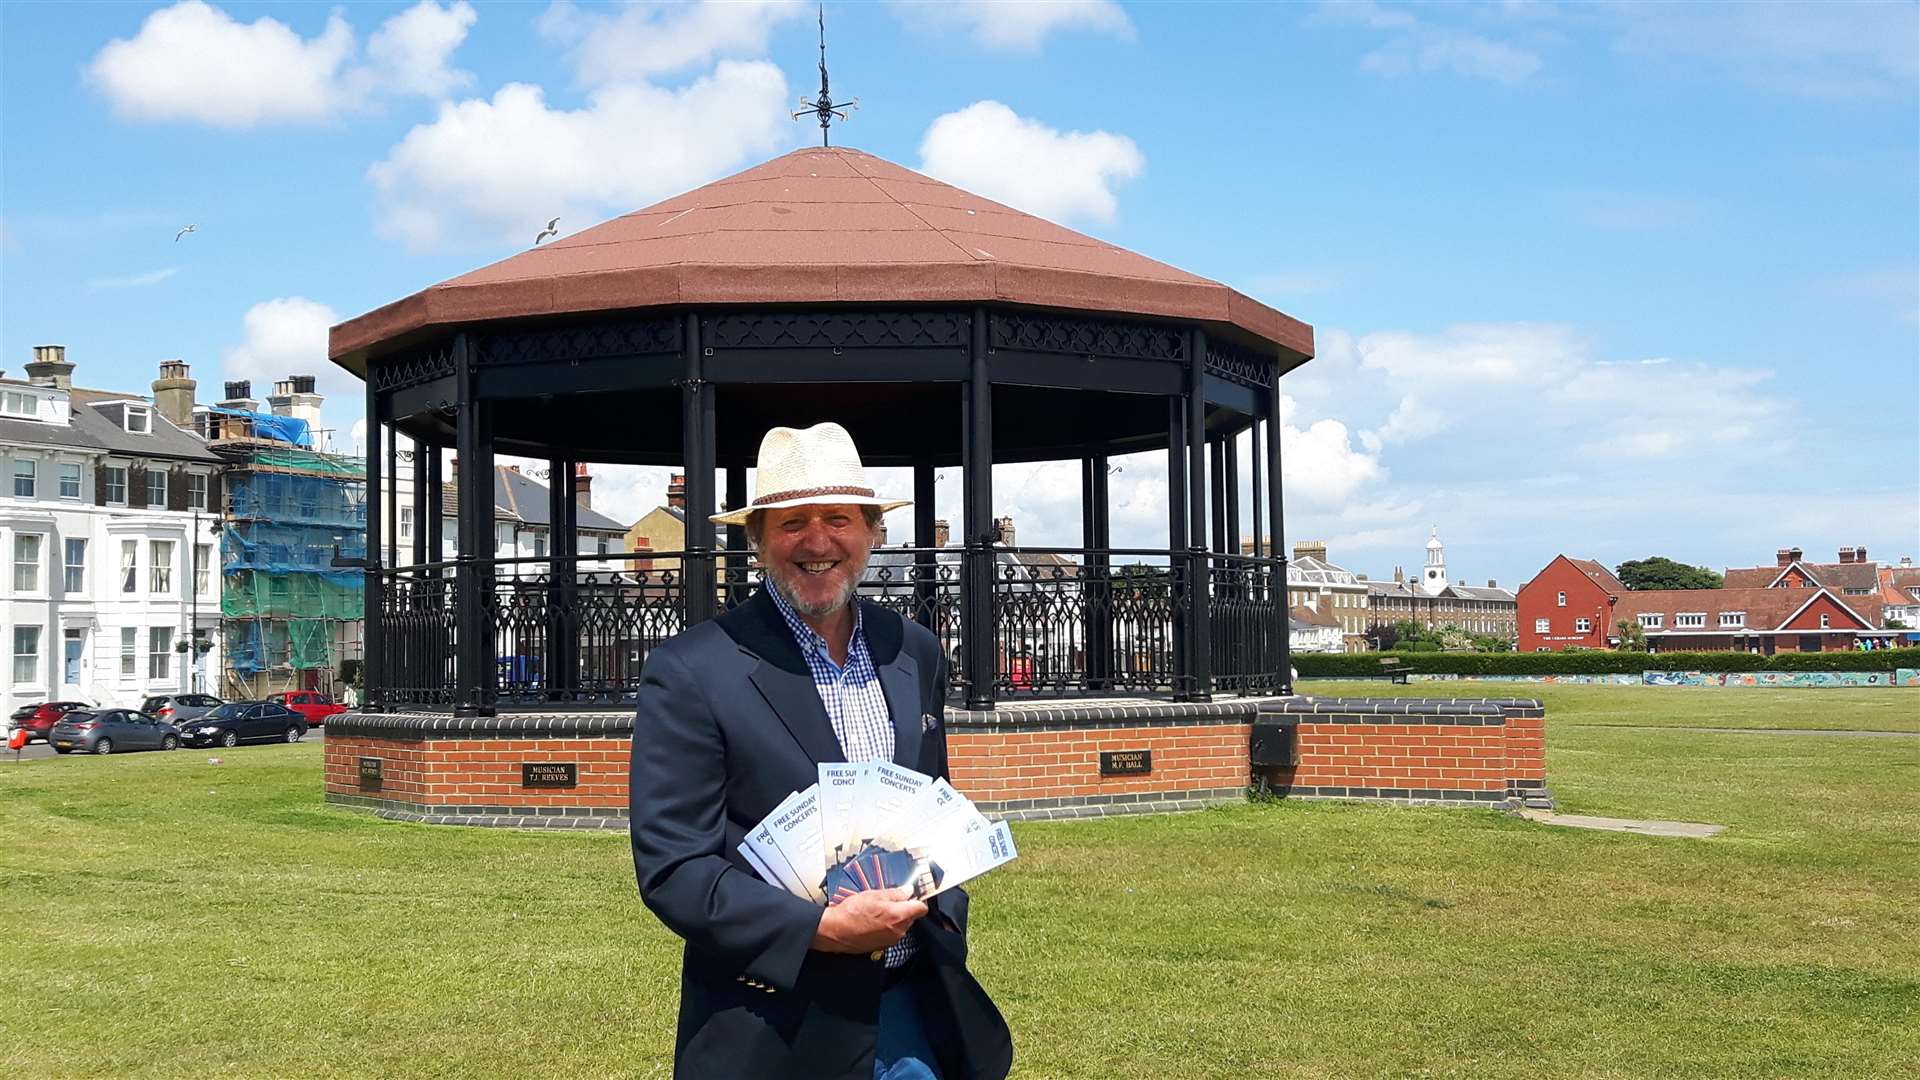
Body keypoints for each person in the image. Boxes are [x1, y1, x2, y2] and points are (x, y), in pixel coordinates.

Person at [630, 422, 1013, 1080]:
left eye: (838, 518)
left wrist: (943, 913)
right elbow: (674, 870)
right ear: (757, 541)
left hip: (914, 1016)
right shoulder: (691, 669)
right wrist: (822, 930)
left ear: (871, 533)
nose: (816, 541)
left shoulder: (912, 650)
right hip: (773, 1030)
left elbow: (935, 805)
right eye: (791, 523)